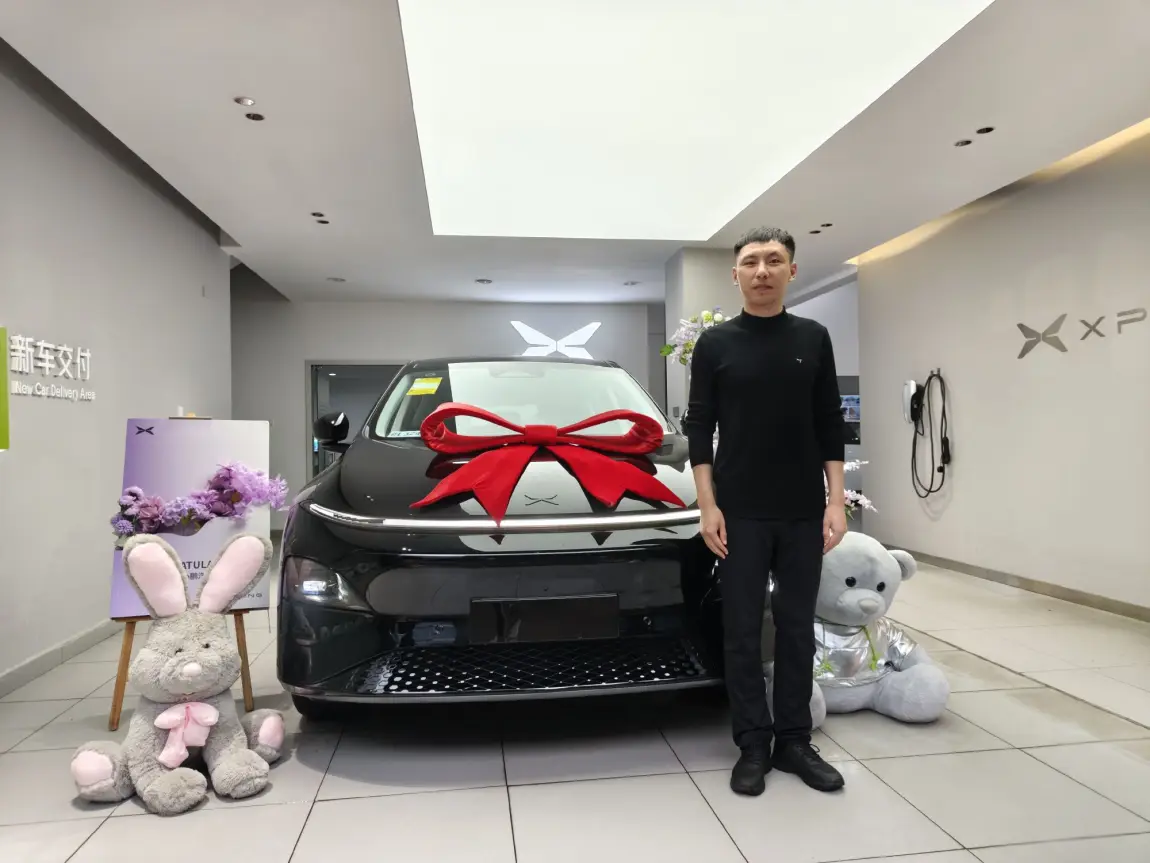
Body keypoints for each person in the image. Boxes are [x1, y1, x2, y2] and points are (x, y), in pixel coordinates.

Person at [683, 226, 847, 796]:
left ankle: (794, 741)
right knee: (742, 631)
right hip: (739, 512)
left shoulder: (813, 337)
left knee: (798, 628)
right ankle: (753, 742)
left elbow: (830, 420)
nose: (762, 271)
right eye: (751, 261)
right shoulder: (716, 344)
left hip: (802, 509)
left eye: (774, 260)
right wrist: (708, 505)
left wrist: (836, 500)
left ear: (791, 271)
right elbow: (699, 425)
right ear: (735, 275)